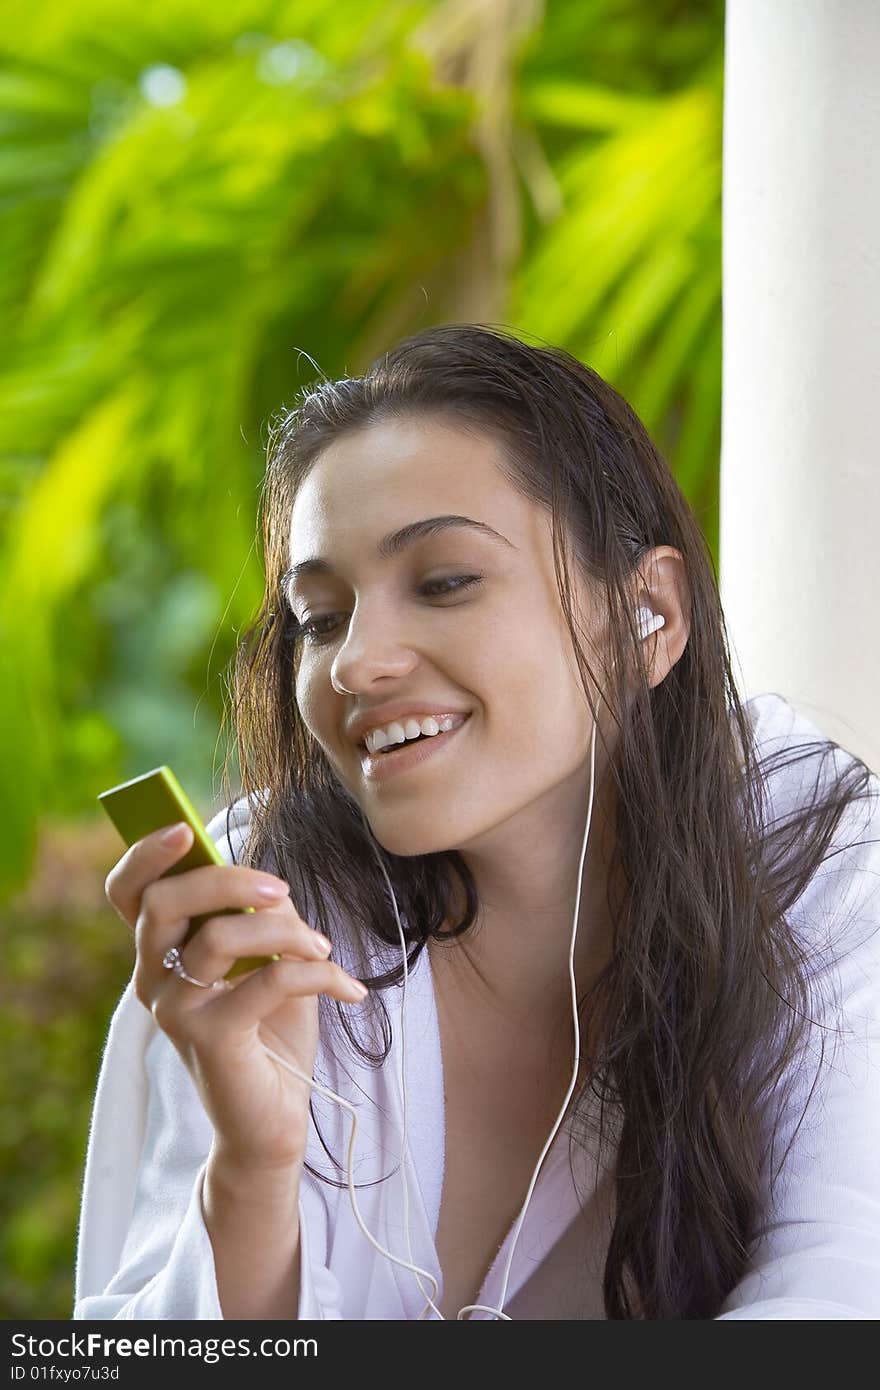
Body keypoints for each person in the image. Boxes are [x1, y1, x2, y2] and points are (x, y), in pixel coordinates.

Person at [74, 324, 880, 1320]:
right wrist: (252, 1166)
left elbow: (843, 1277)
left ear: (648, 615)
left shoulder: (810, 852)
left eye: (444, 581)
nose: (357, 663)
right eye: (320, 615)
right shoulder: (262, 904)